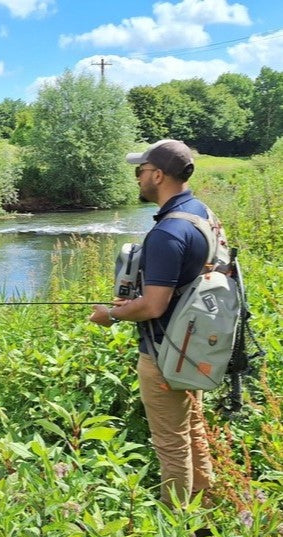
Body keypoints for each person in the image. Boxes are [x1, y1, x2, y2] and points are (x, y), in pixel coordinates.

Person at [89, 139, 214, 507]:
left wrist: (111, 314)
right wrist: (139, 301)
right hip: (193, 345)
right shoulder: (199, 212)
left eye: (140, 171)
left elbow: (154, 306)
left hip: (164, 354)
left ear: (158, 175)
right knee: (192, 431)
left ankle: (177, 530)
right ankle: (206, 513)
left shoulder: (167, 232)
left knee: (171, 444)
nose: (137, 179)